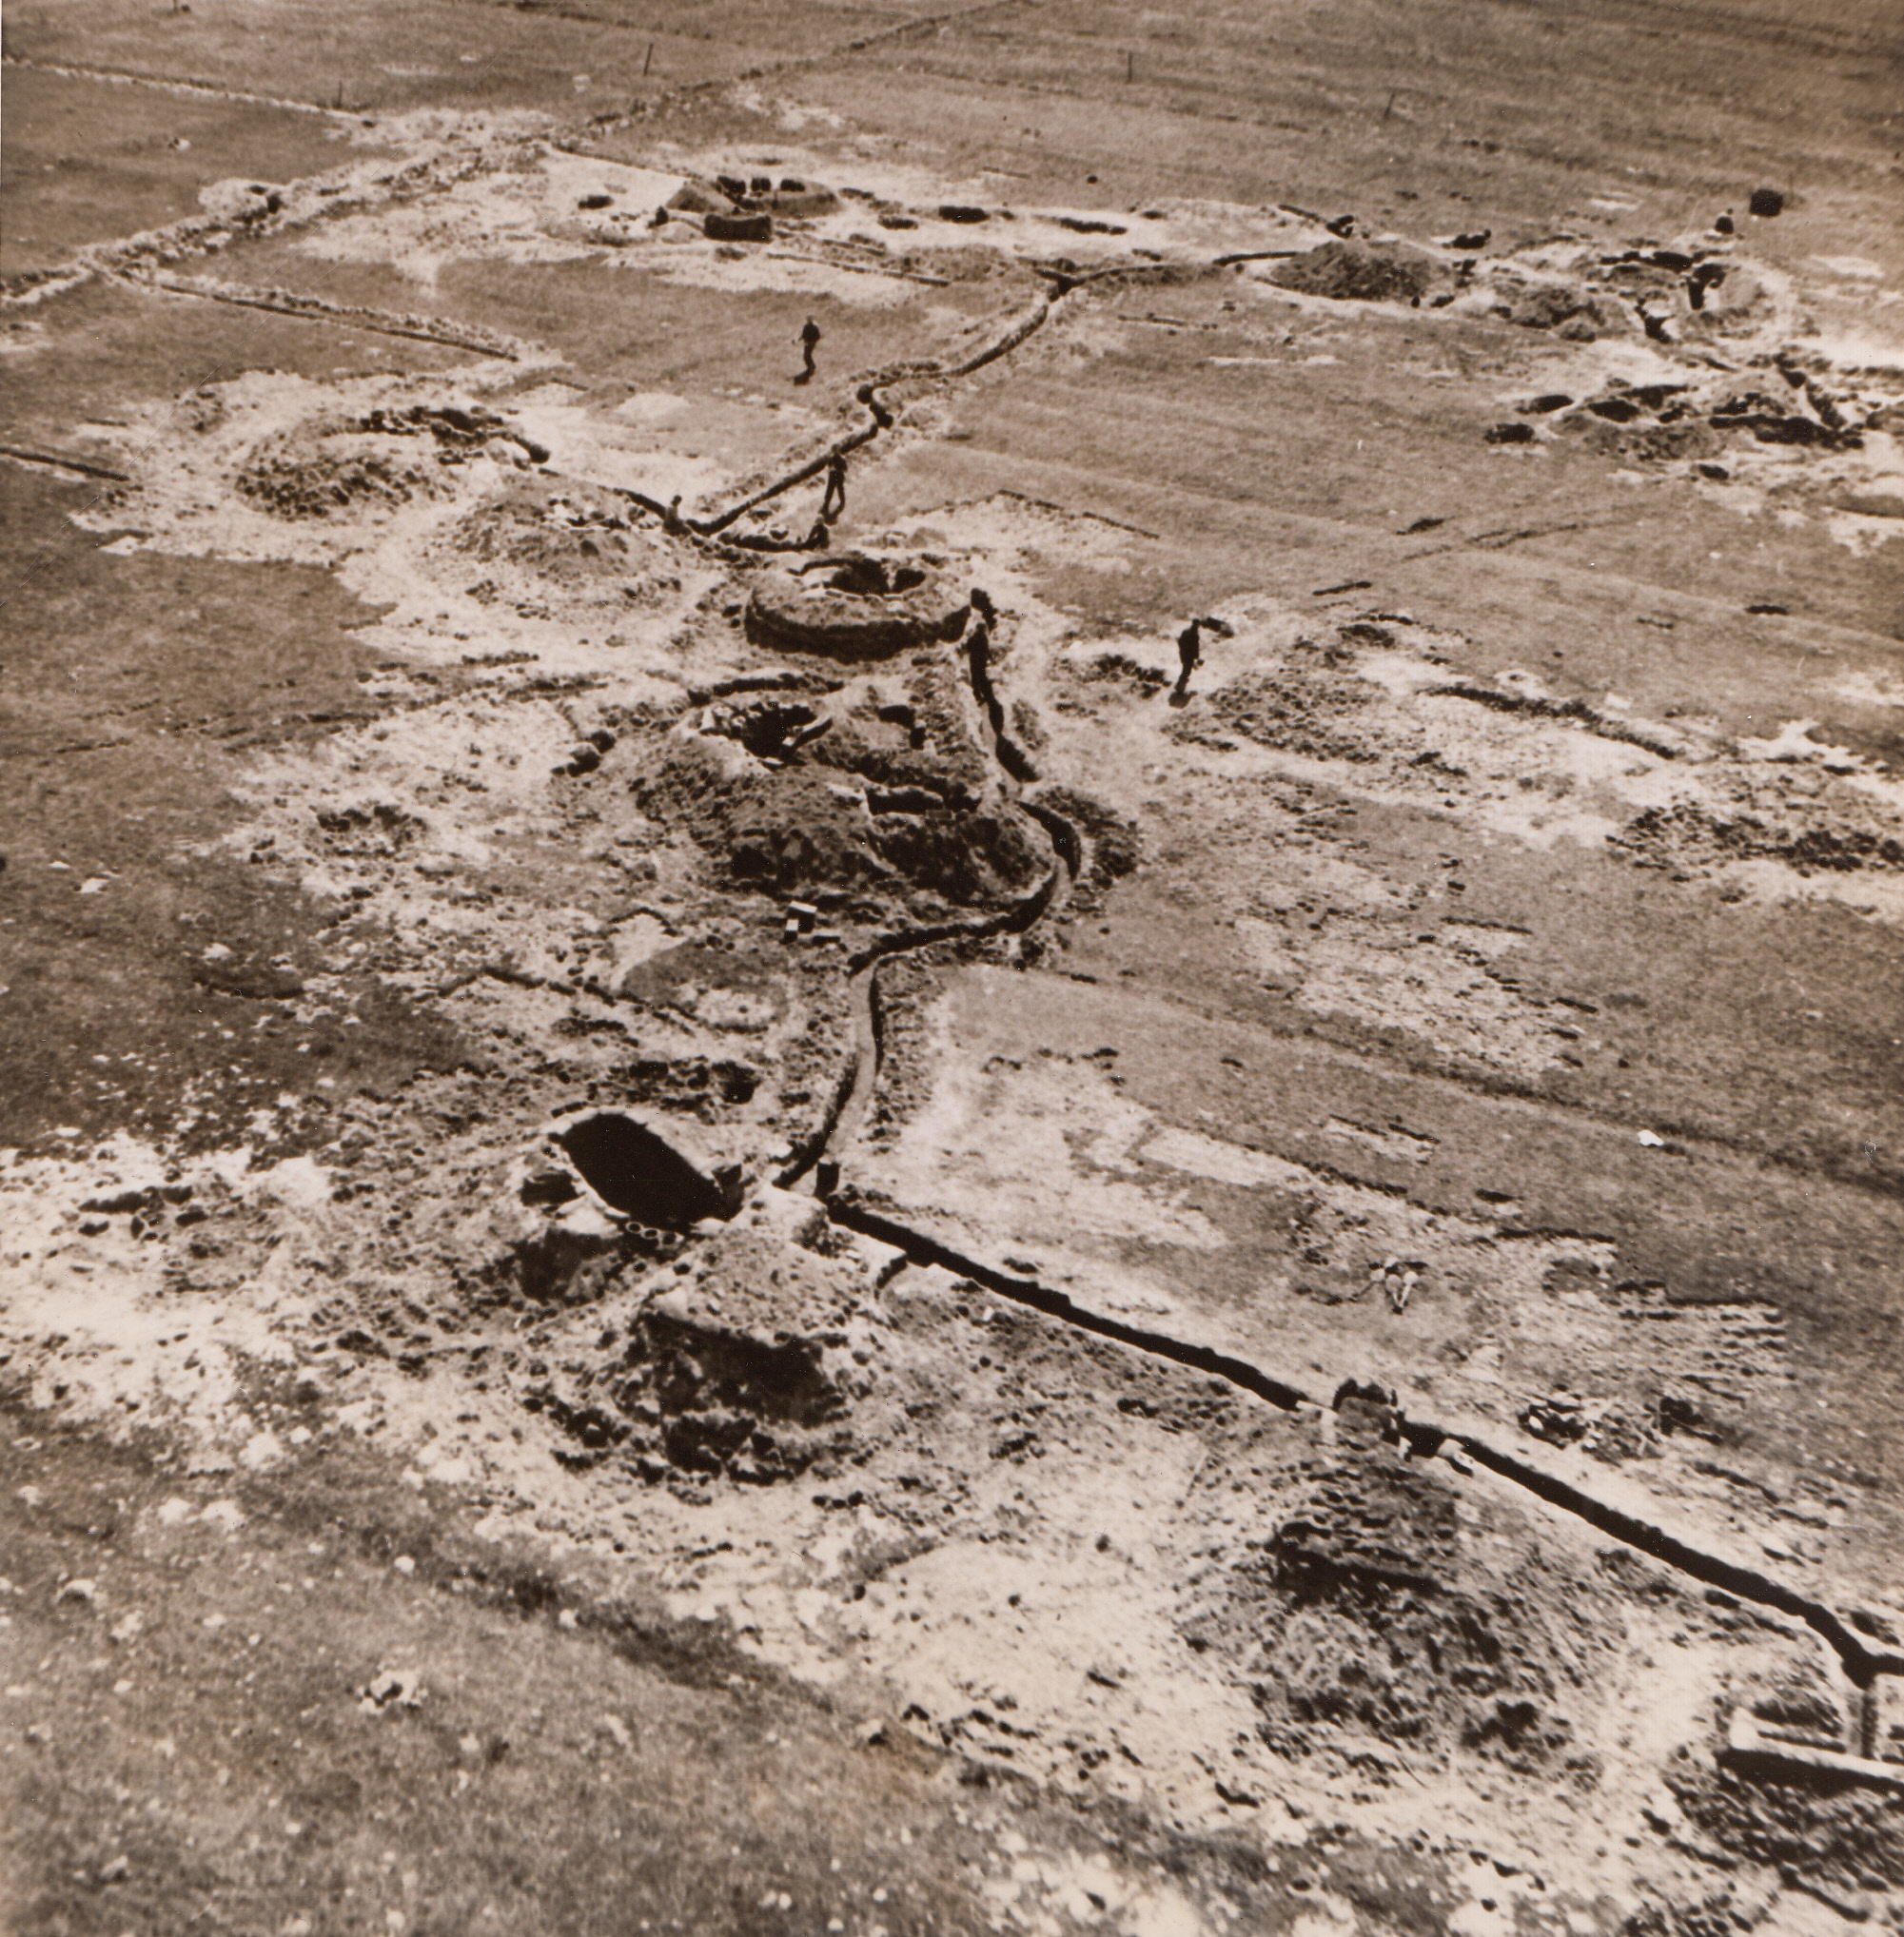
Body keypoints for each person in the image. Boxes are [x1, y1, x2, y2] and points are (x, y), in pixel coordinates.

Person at [795, 316, 820, 385]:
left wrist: (813, 341)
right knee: (806, 356)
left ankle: (811, 367)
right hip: (808, 343)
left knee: (806, 356)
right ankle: (811, 367)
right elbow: (803, 335)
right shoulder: (807, 327)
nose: (809, 321)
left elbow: (818, 336)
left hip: (810, 343)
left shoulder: (814, 327)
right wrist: (798, 340)